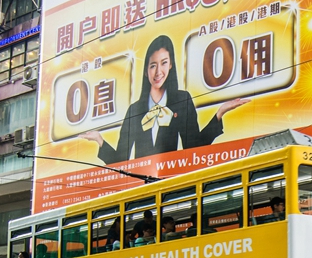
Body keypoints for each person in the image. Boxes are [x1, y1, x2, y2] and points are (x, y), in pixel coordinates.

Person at [81, 35, 249, 164]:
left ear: (170, 65)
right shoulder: (134, 110)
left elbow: (193, 147)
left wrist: (219, 114)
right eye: (153, 65)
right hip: (140, 187)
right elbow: (120, 159)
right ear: (146, 70)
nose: (158, 72)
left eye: (163, 63)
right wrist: (99, 140)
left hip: (171, 183)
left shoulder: (182, 100)